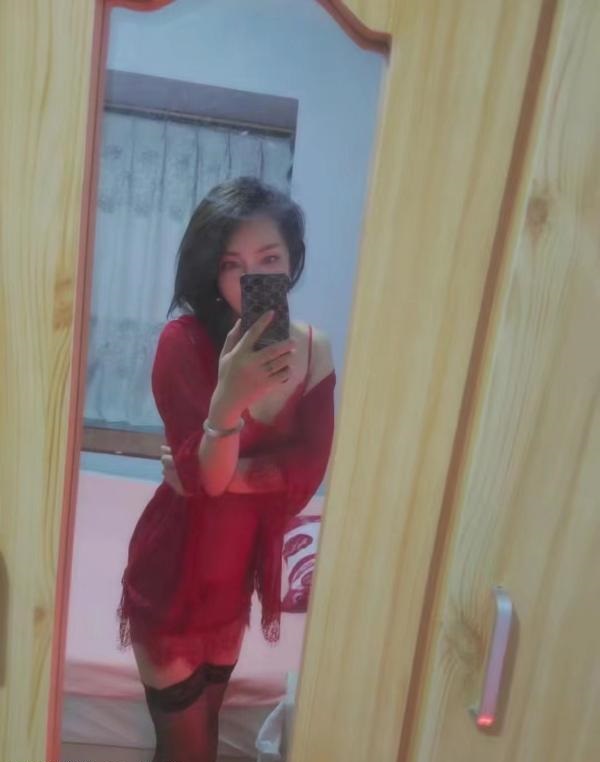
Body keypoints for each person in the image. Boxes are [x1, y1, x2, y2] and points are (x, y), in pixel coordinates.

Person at [118, 176, 336, 762]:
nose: (250, 278)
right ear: (212, 273)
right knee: (185, 753)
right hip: (174, 573)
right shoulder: (183, 342)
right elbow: (209, 480)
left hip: (234, 582)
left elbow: (304, 477)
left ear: (292, 262)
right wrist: (229, 397)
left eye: (269, 260)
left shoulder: (313, 350)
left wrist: (219, 473)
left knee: (206, 742)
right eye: (231, 265)